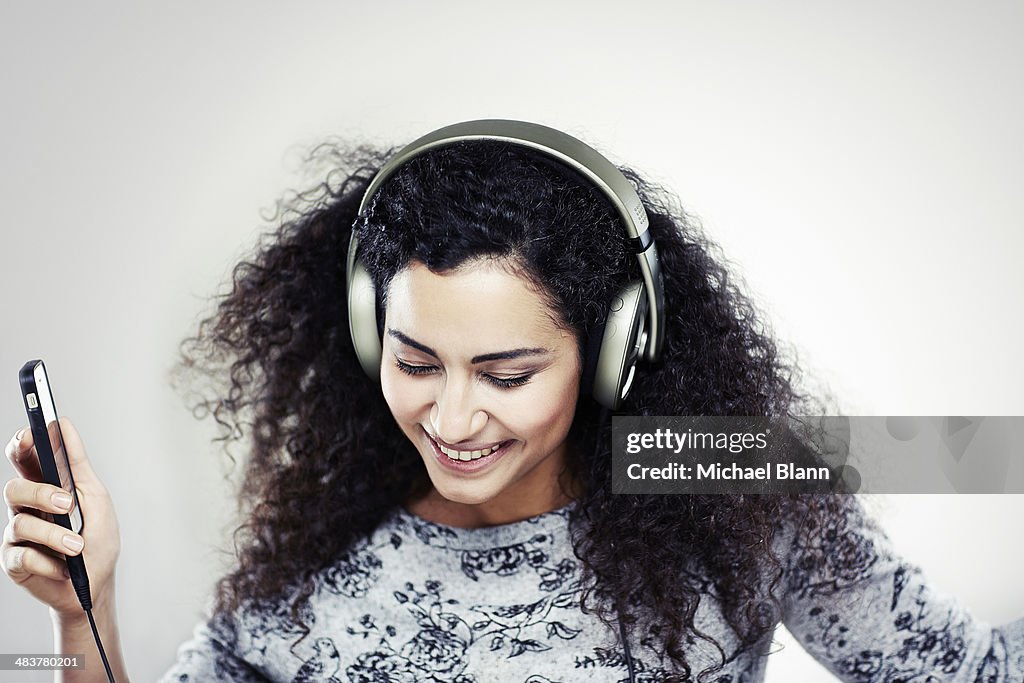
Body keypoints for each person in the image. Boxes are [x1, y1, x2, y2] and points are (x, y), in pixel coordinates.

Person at [3, 120, 1022, 683]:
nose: (451, 419)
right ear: (367, 335)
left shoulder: (722, 472)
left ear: (616, 353)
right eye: (414, 360)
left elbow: (967, 659)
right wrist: (80, 609)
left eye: (505, 374)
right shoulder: (316, 551)